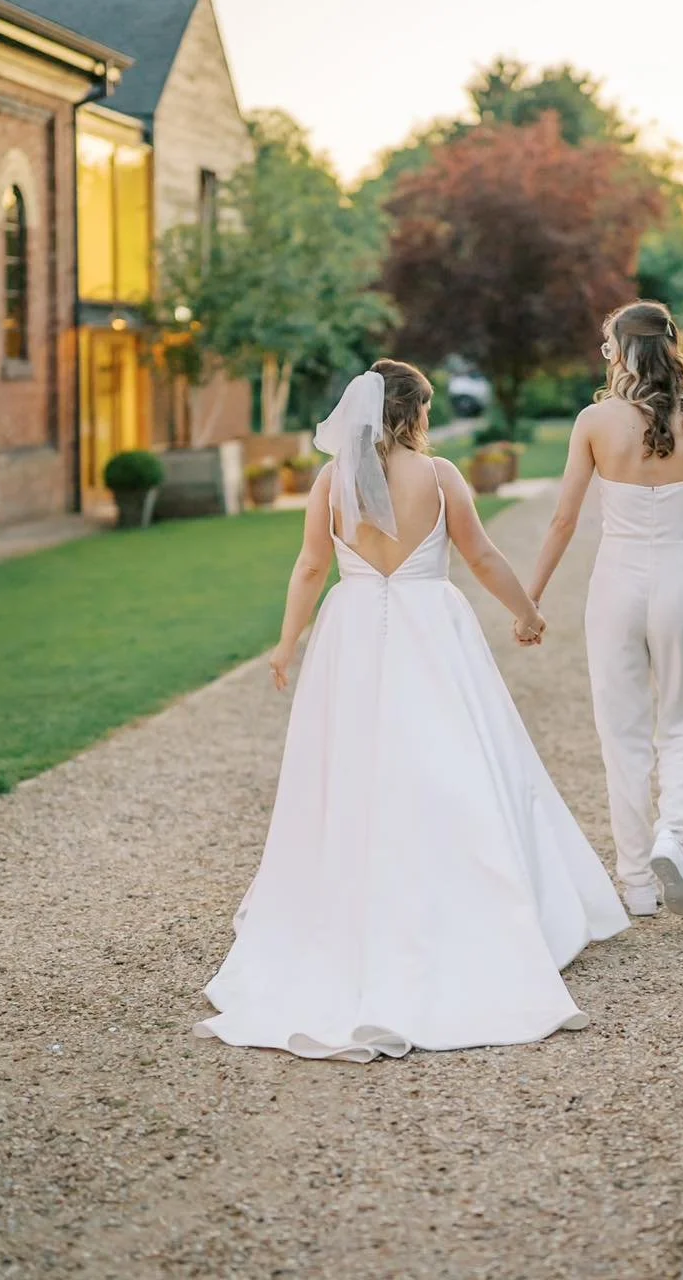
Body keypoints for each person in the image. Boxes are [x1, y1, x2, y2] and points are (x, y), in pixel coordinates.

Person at [194, 359, 628, 1062]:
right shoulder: (441, 476)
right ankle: (471, 906)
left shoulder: (333, 482)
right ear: (412, 414)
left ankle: (355, 905)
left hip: (352, 630)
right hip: (433, 625)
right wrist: (526, 611)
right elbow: (481, 555)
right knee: (452, 762)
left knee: (355, 769)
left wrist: (285, 645)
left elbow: (310, 566)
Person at [527, 302, 683, 920]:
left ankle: (636, 887)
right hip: (681, 581)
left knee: (620, 735)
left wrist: (532, 599)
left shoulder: (594, 421)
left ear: (621, 352)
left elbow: (564, 519)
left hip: (615, 587)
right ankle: (673, 833)